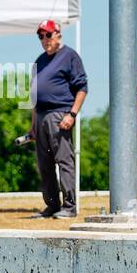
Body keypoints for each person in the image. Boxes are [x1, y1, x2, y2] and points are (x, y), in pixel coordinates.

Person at [29, 20, 88, 219]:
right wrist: (33, 125)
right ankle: (52, 205)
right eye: (41, 36)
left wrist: (72, 114)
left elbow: (82, 88)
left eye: (48, 35)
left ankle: (70, 206)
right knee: (44, 164)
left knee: (64, 161)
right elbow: (34, 97)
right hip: (41, 116)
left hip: (60, 114)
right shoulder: (39, 61)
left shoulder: (70, 56)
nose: (44, 40)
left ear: (58, 34)